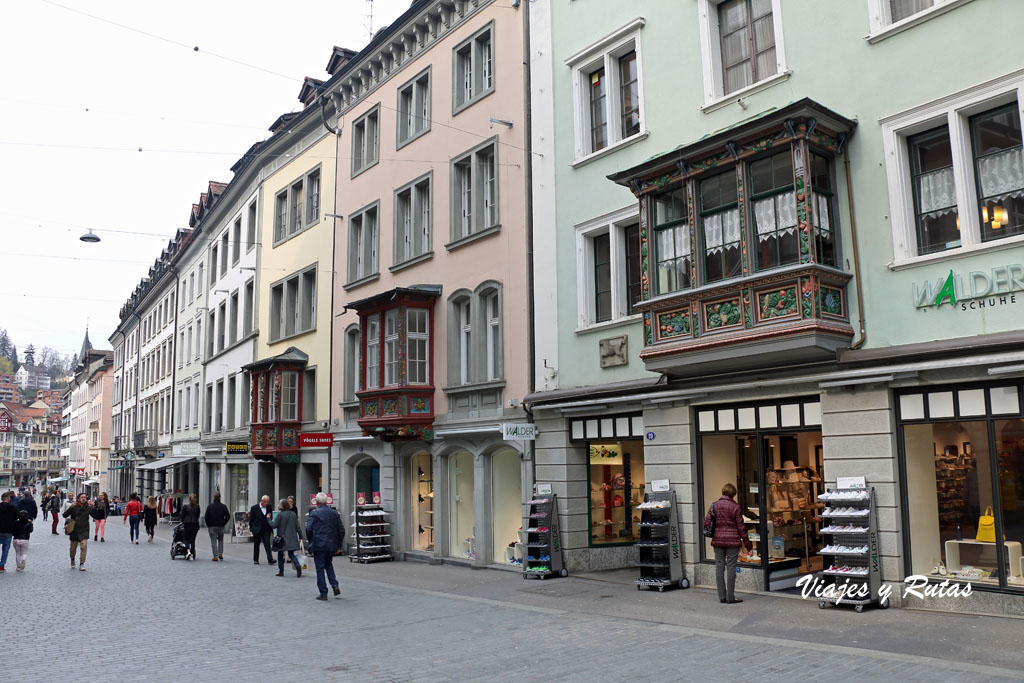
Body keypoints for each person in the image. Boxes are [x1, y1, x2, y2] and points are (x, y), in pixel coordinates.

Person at [704, 482, 752, 605]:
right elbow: (741, 528)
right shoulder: (735, 507)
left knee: (719, 568)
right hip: (732, 542)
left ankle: (722, 596)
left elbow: (706, 523)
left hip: (718, 541)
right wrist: (748, 545)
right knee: (731, 568)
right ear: (733, 494)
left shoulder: (714, 505)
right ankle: (730, 597)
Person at [305, 492, 345, 601]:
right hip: (331, 544)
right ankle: (334, 584)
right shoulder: (334, 513)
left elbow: (308, 529)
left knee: (320, 568)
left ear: (316, 502)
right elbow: (341, 530)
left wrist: (311, 541)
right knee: (328, 564)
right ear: (326, 501)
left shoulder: (314, 513)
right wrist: (338, 545)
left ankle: (323, 592)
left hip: (319, 544)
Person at [270, 498, 306, 577]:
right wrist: (300, 536)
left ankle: (281, 571)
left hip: (282, 538)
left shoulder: (280, 515)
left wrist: (268, 519)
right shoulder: (293, 514)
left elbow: (274, 525)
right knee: (291, 554)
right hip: (292, 538)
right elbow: (298, 527)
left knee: (280, 554)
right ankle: (297, 565)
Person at [63, 493, 92, 571]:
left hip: (84, 529)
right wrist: (71, 507)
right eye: (82, 497)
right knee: (73, 549)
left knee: (84, 546)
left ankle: (82, 563)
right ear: (78, 498)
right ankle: (72, 559)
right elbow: (64, 515)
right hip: (74, 530)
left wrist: (93, 507)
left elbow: (96, 516)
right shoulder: (74, 506)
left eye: (84, 497)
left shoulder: (88, 507)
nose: (83, 499)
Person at [204, 493, 230, 561]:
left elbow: (206, 517)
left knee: (214, 541)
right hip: (221, 526)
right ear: (220, 497)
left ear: (214, 497)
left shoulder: (210, 506)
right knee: (221, 540)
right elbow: (228, 516)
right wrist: (223, 523)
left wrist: (208, 524)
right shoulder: (223, 506)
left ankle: (215, 556)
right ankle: (220, 553)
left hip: (212, 526)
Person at [248, 495, 274, 565]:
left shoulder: (269, 507)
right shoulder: (254, 508)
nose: (266, 503)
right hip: (257, 529)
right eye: (265, 502)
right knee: (256, 544)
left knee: (267, 544)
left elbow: (270, 517)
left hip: (266, 529)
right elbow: (251, 519)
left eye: (267, 502)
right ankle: (256, 559)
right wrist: (252, 528)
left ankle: (270, 559)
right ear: (262, 501)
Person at [0, 491, 18, 573]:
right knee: (5, 549)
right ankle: (1, 566)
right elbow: (18, 516)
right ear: (8, 499)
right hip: (8, 531)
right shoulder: (12, 507)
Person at [180, 494, 201, 560]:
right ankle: (193, 553)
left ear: (189, 499)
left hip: (187, 524)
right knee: (193, 540)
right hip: (195, 524)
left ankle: (188, 551)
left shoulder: (185, 507)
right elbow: (198, 515)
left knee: (186, 539)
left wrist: (183, 521)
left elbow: (182, 515)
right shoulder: (197, 506)